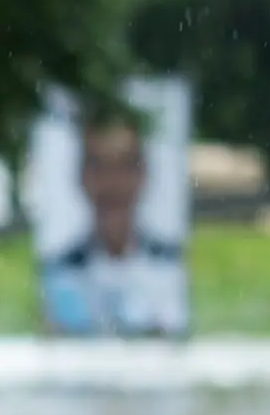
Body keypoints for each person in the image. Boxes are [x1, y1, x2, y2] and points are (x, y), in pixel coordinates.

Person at [37, 118, 189, 338]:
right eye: (98, 166)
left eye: (124, 166)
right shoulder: (60, 271)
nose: (112, 182)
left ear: (143, 175)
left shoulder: (167, 264)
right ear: (81, 177)